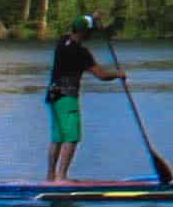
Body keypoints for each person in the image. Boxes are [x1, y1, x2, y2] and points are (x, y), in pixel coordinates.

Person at [43, 13, 118, 186]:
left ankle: (50, 177)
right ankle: (62, 178)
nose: (91, 35)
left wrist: (93, 16)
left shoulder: (62, 42)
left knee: (58, 138)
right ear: (85, 34)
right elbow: (101, 75)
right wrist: (118, 74)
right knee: (72, 137)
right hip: (67, 97)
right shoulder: (81, 52)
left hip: (53, 95)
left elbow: (81, 22)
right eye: (89, 32)